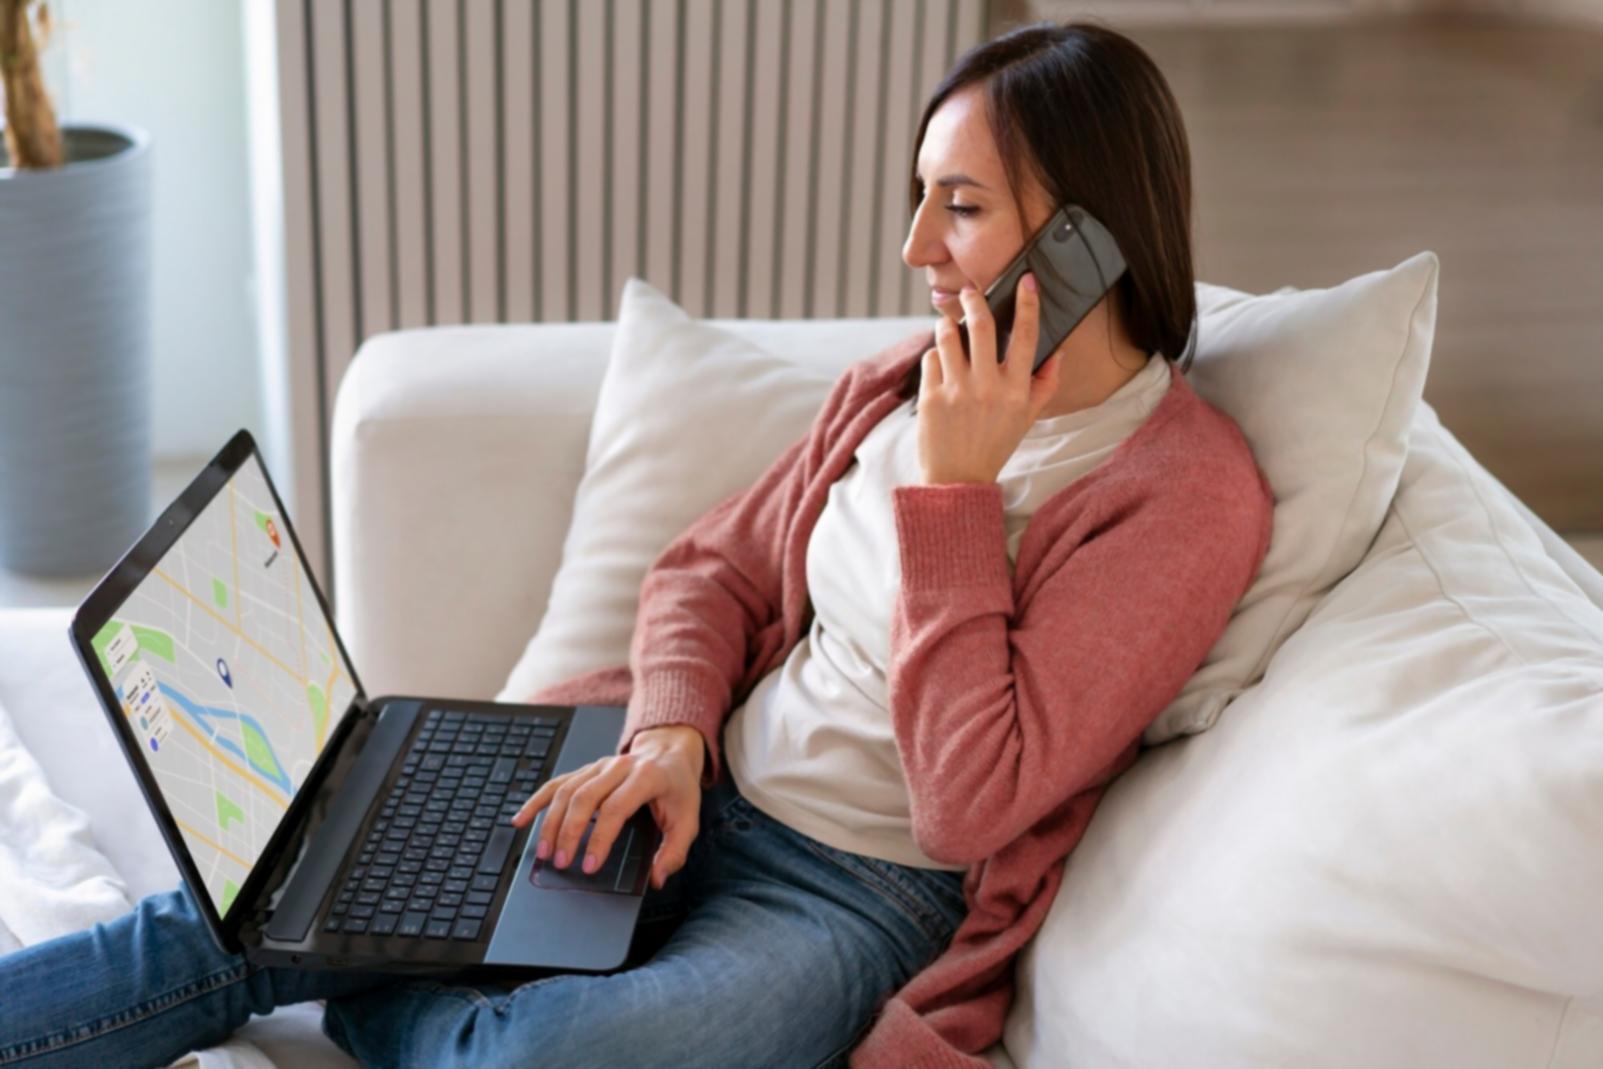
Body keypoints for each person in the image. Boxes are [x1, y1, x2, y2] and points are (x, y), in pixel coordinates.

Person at [0, 20, 1274, 1069]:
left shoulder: (1181, 495)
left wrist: (954, 499)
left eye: (961, 207)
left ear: (1085, 234)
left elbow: (967, 803)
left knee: (534, 1059)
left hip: (853, 898)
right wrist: (669, 730)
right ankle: (313, 944)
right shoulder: (897, 386)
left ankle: (351, 974)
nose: (913, 250)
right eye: (918, 199)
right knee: (265, 892)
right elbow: (706, 572)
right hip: (678, 781)